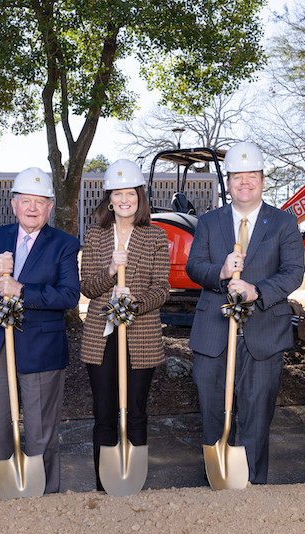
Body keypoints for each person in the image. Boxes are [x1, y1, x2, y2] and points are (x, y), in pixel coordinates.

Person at [186, 141, 305, 485]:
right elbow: (195, 267)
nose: (244, 183)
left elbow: (293, 271)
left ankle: (254, 487)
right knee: (212, 413)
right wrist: (221, 272)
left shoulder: (283, 222)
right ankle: (218, 479)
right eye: (237, 177)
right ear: (227, 183)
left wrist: (257, 290)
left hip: (263, 336)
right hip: (214, 335)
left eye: (251, 176)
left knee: (256, 417)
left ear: (263, 180)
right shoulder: (209, 222)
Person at [0, 167, 80, 495]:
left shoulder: (65, 244)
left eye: (39, 202)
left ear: (49, 207)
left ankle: (44, 491)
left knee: (42, 428)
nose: (32, 208)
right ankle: (3, 489)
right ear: (13, 205)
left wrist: (21, 290)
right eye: (25, 201)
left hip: (41, 349)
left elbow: (69, 294)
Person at [79, 159, 170, 491]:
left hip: (141, 337)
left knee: (135, 412)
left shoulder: (155, 236)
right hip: (100, 339)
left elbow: (162, 288)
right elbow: (87, 287)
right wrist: (109, 271)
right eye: (117, 194)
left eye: (129, 193)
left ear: (140, 197)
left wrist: (133, 303)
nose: (123, 200)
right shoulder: (95, 235)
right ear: (108, 199)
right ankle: (104, 483)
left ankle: (132, 480)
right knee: (104, 412)